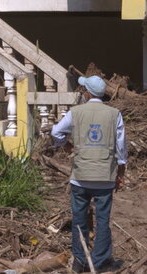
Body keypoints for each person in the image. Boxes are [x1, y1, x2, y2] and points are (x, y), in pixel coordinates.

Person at [51, 75, 127, 273]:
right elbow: (121, 148)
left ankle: (79, 260)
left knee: (79, 219)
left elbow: (56, 133)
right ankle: (100, 261)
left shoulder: (76, 112)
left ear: (87, 92)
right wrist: (120, 174)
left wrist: (66, 145)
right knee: (103, 220)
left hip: (81, 176)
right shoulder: (114, 114)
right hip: (104, 176)